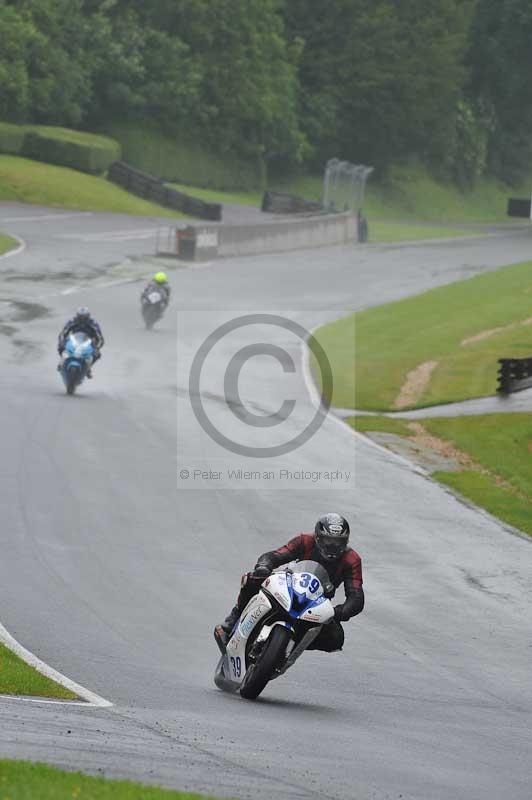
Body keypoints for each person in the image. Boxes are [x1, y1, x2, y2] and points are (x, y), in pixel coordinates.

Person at [214, 513, 364, 654]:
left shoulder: (351, 559)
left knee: (336, 639)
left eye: (338, 542)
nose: (333, 546)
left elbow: (356, 595)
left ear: (346, 541)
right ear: (318, 537)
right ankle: (232, 621)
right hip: (287, 586)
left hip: (315, 603)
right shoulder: (305, 541)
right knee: (252, 579)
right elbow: (276, 555)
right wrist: (264, 566)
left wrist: (339, 612)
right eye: (328, 540)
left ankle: (290, 646)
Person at [57, 307, 104, 378]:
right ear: (77, 316)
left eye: (84, 318)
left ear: (88, 317)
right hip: (73, 340)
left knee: (97, 354)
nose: (82, 320)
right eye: (80, 318)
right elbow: (62, 334)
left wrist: (97, 348)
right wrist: (62, 342)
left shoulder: (93, 324)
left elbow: (100, 338)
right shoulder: (72, 321)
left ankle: (88, 368)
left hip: (89, 342)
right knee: (60, 347)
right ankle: (62, 362)